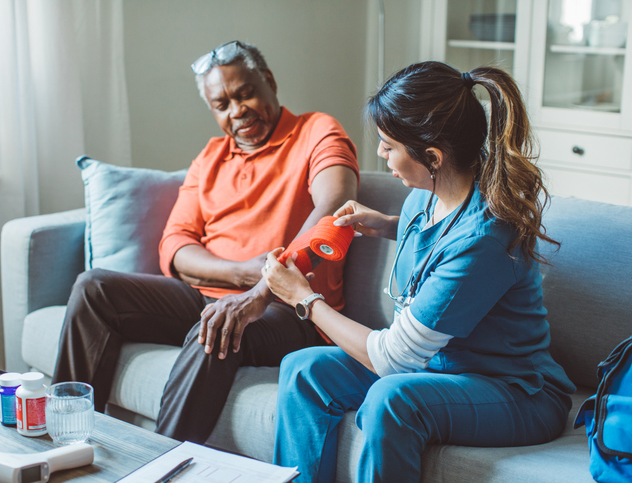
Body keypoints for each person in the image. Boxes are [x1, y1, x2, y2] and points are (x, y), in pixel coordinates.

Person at [262, 61, 575, 483]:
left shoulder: (486, 236)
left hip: (516, 392)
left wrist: (304, 299)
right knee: (303, 370)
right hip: (438, 369)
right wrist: (386, 225)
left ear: (432, 156)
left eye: (389, 145)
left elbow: (392, 358)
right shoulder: (426, 196)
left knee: (391, 399)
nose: (379, 153)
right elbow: (442, 246)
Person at [51, 40, 359, 444]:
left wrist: (263, 289)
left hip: (291, 310)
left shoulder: (317, 130)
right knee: (93, 288)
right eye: (222, 104)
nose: (237, 111)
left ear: (268, 81)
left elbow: (335, 207)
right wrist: (242, 273)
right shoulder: (210, 158)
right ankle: (67, 442)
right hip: (210, 295)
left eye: (245, 93)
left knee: (217, 324)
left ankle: (158, 466)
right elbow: (175, 247)